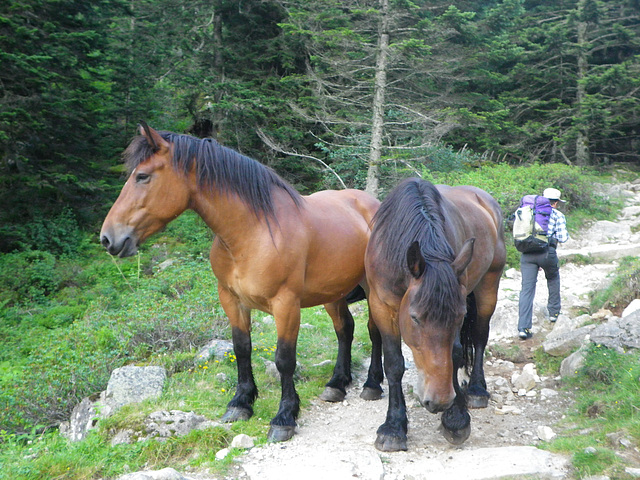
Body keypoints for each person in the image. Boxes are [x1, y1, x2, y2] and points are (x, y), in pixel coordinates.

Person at [517, 187, 570, 340]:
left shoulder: (528, 211)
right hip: (547, 252)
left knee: (526, 289)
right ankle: (554, 313)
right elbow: (563, 237)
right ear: (555, 203)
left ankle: (523, 328)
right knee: (553, 278)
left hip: (527, 254)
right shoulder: (558, 215)